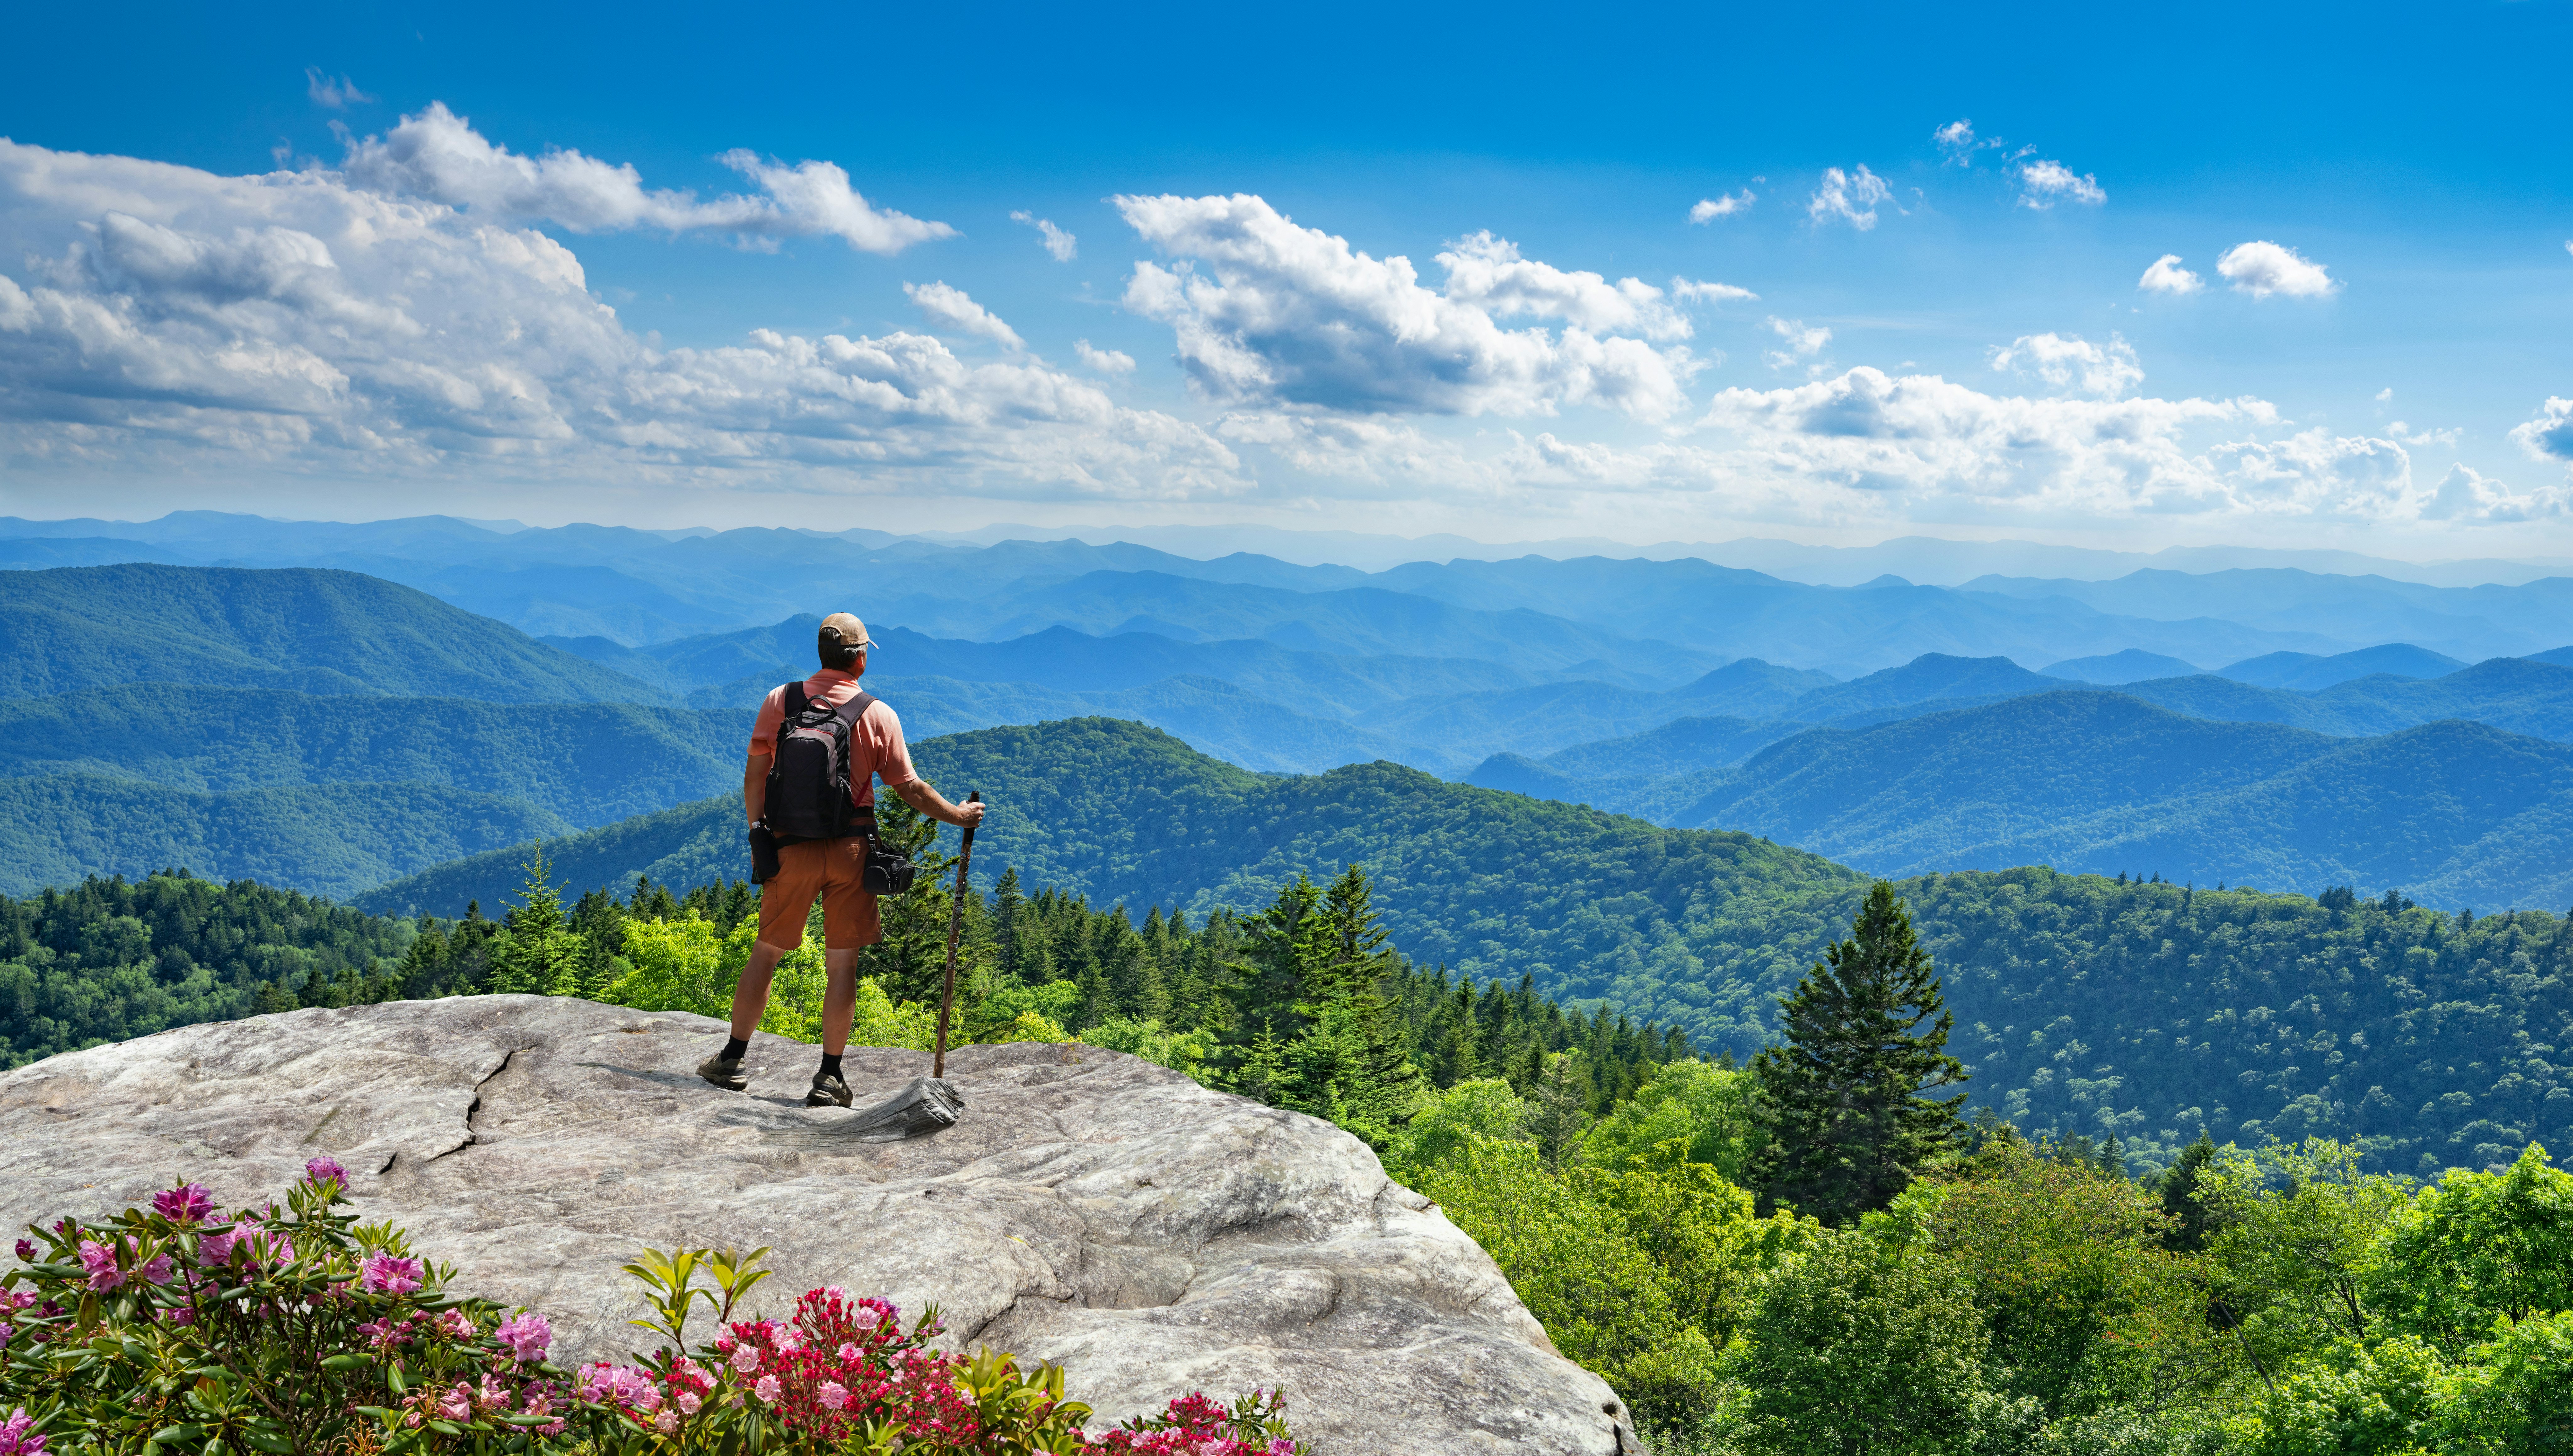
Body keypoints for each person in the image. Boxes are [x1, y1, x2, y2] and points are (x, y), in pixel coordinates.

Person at [696, 612, 984, 1107]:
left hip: (788, 848)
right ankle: (829, 1077)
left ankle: (732, 1060)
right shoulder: (878, 714)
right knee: (842, 964)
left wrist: (758, 833)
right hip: (851, 851)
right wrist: (958, 816)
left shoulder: (780, 702)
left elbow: (755, 775)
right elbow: (910, 788)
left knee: (766, 951)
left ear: (821, 654)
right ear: (862, 658)